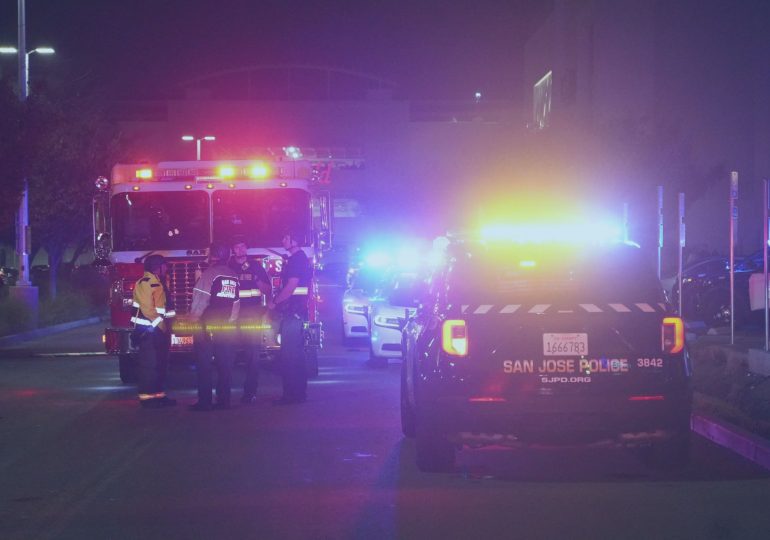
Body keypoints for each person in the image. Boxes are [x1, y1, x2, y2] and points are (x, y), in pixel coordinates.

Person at [189, 243, 241, 411]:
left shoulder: (209, 274)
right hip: (225, 327)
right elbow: (236, 304)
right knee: (224, 365)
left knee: (204, 365)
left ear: (214, 255)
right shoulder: (233, 276)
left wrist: (193, 320)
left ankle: (205, 402)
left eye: (208, 253)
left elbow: (200, 300)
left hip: (206, 327)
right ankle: (224, 401)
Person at [267, 231, 312, 405]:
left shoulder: (295, 260)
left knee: (289, 357)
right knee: (297, 356)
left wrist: (274, 303)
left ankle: (291, 395)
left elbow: (291, 286)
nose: (282, 240)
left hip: (293, 312)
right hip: (298, 312)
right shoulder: (300, 258)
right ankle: (299, 393)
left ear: (294, 240)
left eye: (285, 238)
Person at [229, 236, 272, 405]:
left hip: (252, 315)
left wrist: (256, 279)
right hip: (232, 316)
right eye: (236, 247)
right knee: (227, 354)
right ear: (233, 250)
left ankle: (250, 392)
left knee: (252, 355)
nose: (239, 250)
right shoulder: (228, 266)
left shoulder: (255, 266)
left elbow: (268, 290)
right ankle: (224, 393)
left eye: (242, 246)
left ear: (247, 248)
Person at [131, 254, 176, 409]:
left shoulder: (159, 282)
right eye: (165, 265)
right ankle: (147, 399)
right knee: (149, 365)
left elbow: (164, 307)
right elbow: (148, 310)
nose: (167, 268)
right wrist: (161, 326)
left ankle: (159, 396)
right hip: (149, 332)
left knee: (160, 364)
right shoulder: (146, 283)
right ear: (158, 266)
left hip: (159, 330)